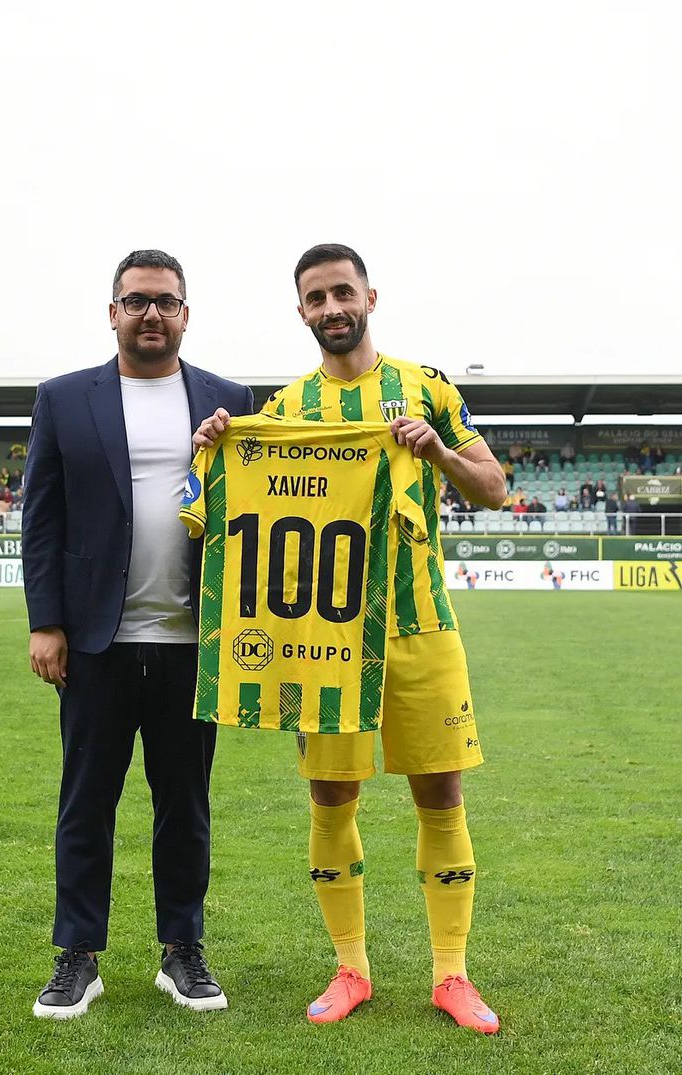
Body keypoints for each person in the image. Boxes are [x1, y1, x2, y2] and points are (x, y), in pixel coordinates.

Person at [193, 243, 506, 1033]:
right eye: (315, 297)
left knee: (440, 792)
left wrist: (436, 452)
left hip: (421, 627)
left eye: (343, 292)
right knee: (332, 795)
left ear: (370, 295)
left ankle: (452, 975)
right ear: (301, 311)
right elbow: (215, 510)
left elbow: (496, 487)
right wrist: (221, 445)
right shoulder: (289, 409)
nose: (332, 307)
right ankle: (352, 967)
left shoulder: (427, 387)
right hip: (323, 643)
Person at [23, 249, 253, 1021]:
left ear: (186, 314)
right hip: (95, 640)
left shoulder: (228, 398)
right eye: (135, 301)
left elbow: (249, 519)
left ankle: (181, 949)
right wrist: (45, 622)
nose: (150, 313)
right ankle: (77, 956)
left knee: (184, 804)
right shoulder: (63, 398)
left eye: (165, 301)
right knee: (86, 800)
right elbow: (43, 518)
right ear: (112, 312)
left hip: (193, 643)